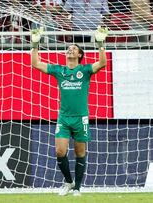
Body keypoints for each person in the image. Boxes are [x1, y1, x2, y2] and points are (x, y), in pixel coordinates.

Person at [30, 26, 108, 196]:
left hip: (81, 118)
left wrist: (100, 44)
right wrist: (35, 44)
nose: (70, 49)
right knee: (60, 151)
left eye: (74, 48)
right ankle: (68, 182)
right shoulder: (59, 70)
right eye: (69, 48)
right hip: (64, 118)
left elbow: (102, 63)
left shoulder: (85, 70)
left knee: (80, 152)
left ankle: (78, 188)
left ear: (79, 55)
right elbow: (35, 63)